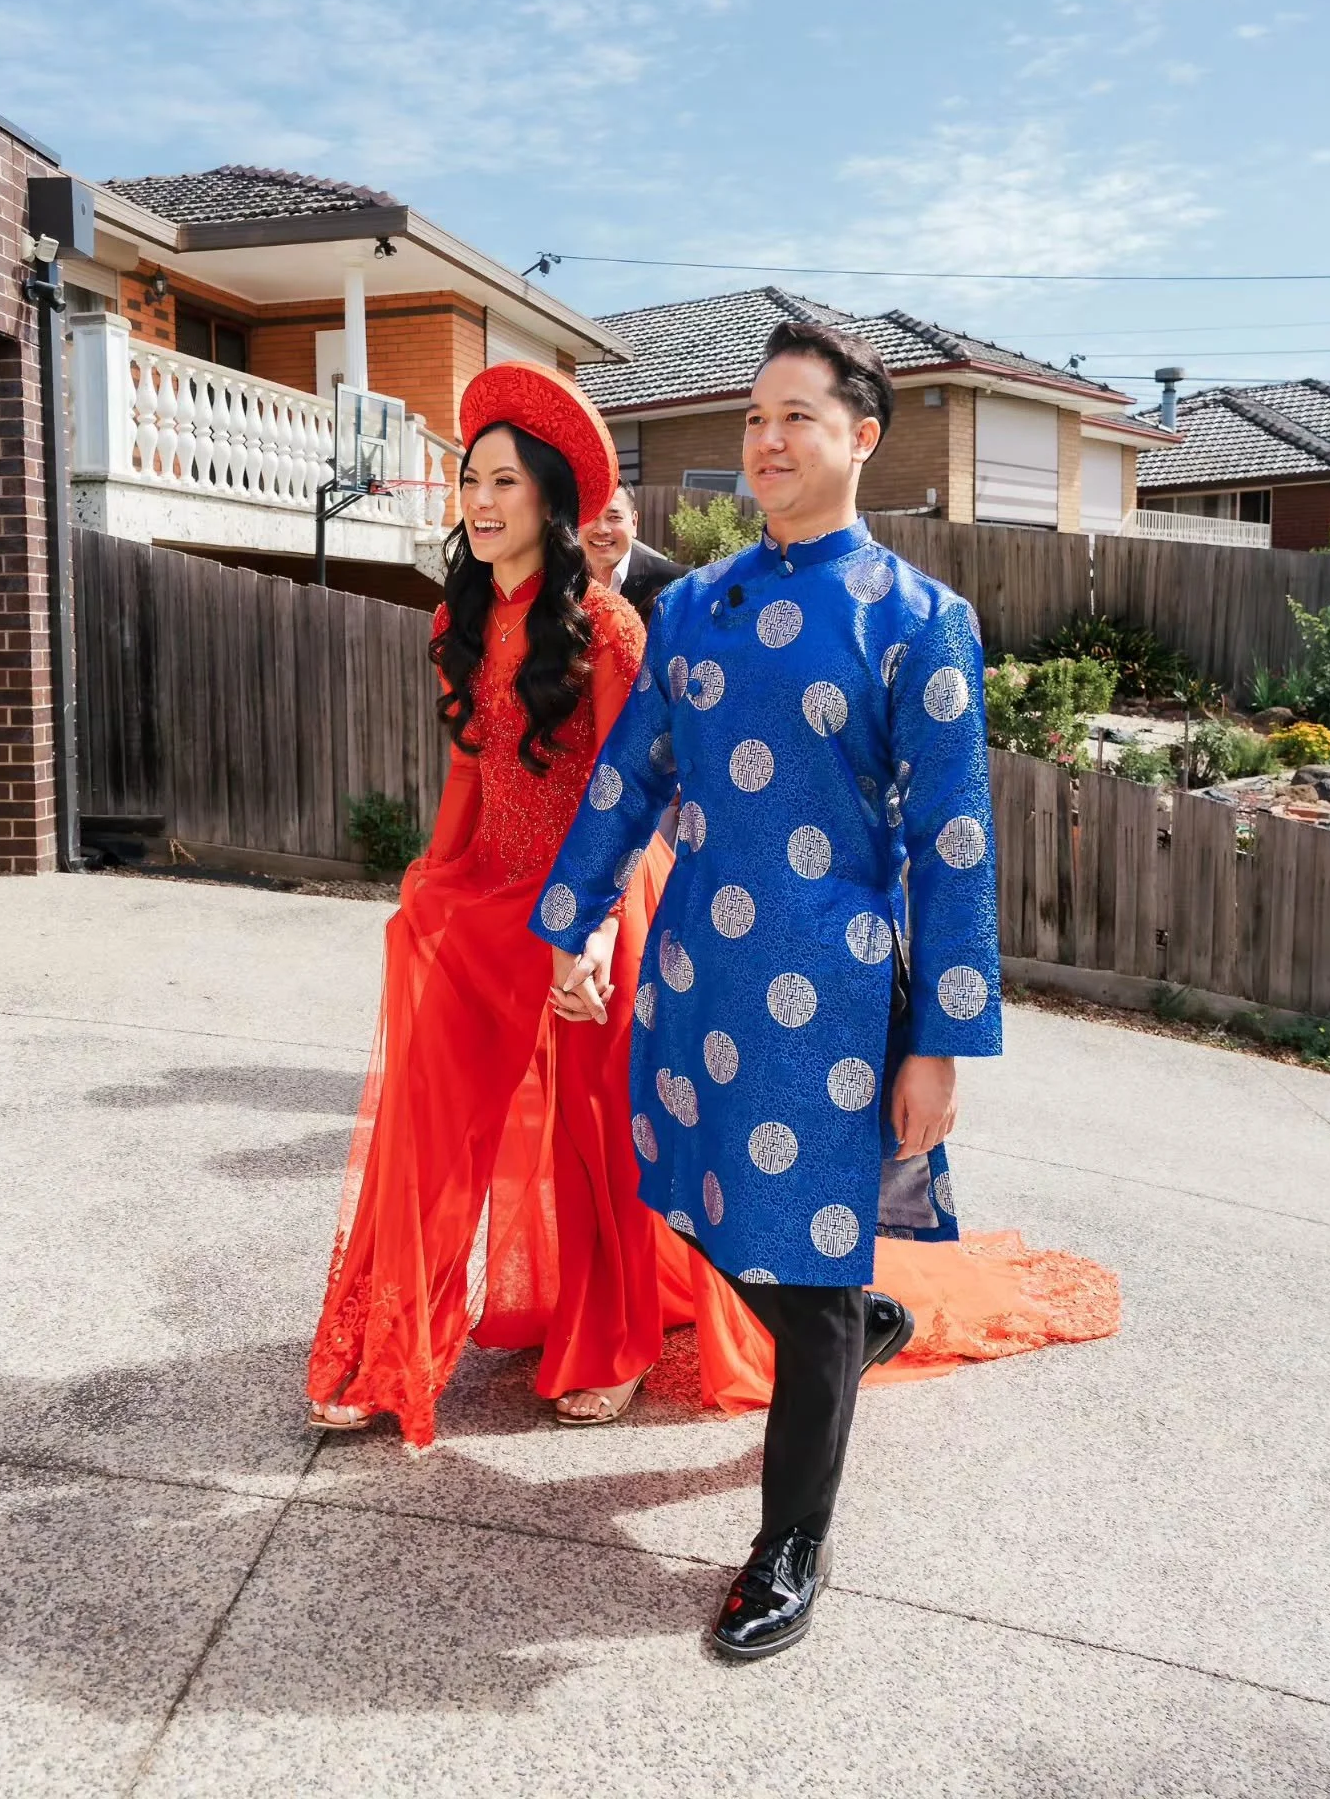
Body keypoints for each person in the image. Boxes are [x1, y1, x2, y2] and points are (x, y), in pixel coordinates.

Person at [531, 320, 1117, 1660]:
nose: (766, 442)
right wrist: (575, 926)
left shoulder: (920, 622)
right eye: (752, 419)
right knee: (697, 1203)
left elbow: (953, 843)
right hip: (696, 980)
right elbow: (631, 777)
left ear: (861, 438)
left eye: (795, 416)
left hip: (837, 1008)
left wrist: (942, 1039)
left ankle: (790, 1542)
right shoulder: (692, 607)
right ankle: (864, 1324)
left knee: (804, 1247)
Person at [306, 361, 724, 1439]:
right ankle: (390, 1345)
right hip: (487, 899)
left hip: (591, 909)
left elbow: (636, 798)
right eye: (469, 482)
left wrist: (582, 932)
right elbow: (471, 772)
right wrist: (431, 889)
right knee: (428, 1120)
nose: (481, 503)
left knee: (594, 1134)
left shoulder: (612, 631)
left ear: (550, 499)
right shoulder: (460, 621)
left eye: (504, 482)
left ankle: (615, 1341)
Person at [580, 481, 683, 622]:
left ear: (634, 523)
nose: (602, 529)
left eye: (614, 517)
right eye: (591, 516)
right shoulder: (557, 583)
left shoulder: (675, 583)